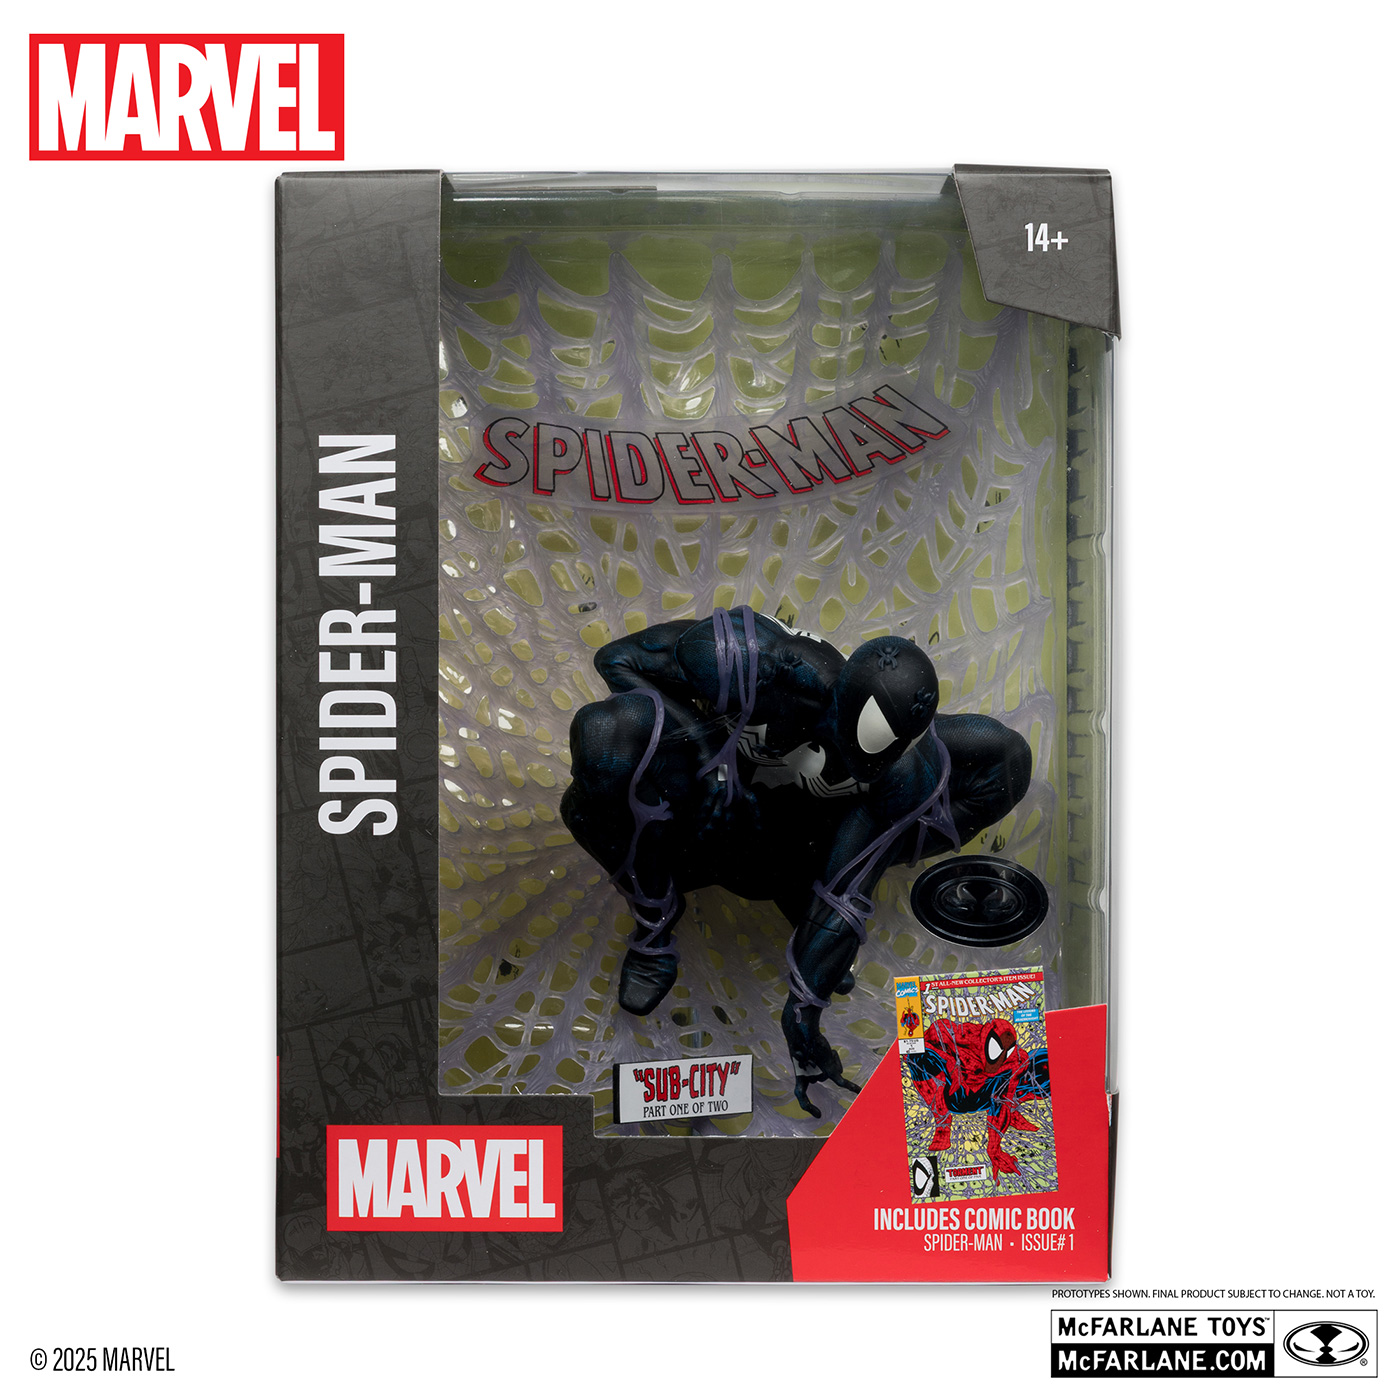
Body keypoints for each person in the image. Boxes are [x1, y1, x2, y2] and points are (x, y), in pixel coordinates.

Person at [561, 606, 1031, 1116]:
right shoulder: (756, 665)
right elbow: (616, 660)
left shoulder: (894, 776)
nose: (857, 766)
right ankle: (656, 913)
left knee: (1003, 763)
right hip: (700, 809)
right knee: (603, 735)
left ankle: (799, 899)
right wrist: (706, 752)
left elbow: (846, 888)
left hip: (787, 849)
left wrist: (803, 1013)